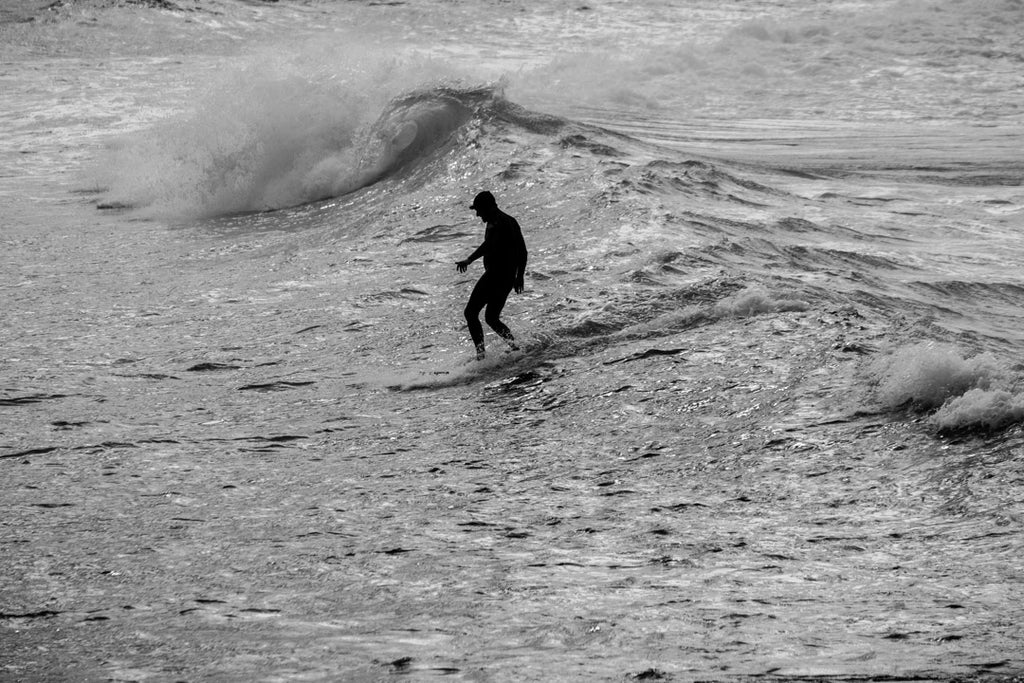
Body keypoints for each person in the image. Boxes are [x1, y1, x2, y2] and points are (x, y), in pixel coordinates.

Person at [456, 191, 528, 359]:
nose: (477, 214)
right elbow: (522, 252)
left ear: (487, 207)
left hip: (496, 275)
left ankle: (481, 356)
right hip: (507, 277)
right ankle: (515, 348)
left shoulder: (499, 221)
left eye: (479, 210)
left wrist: (469, 259)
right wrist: (518, 276)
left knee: (470, 313)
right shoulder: (506, 220)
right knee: (491, 317)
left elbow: (490, 245)